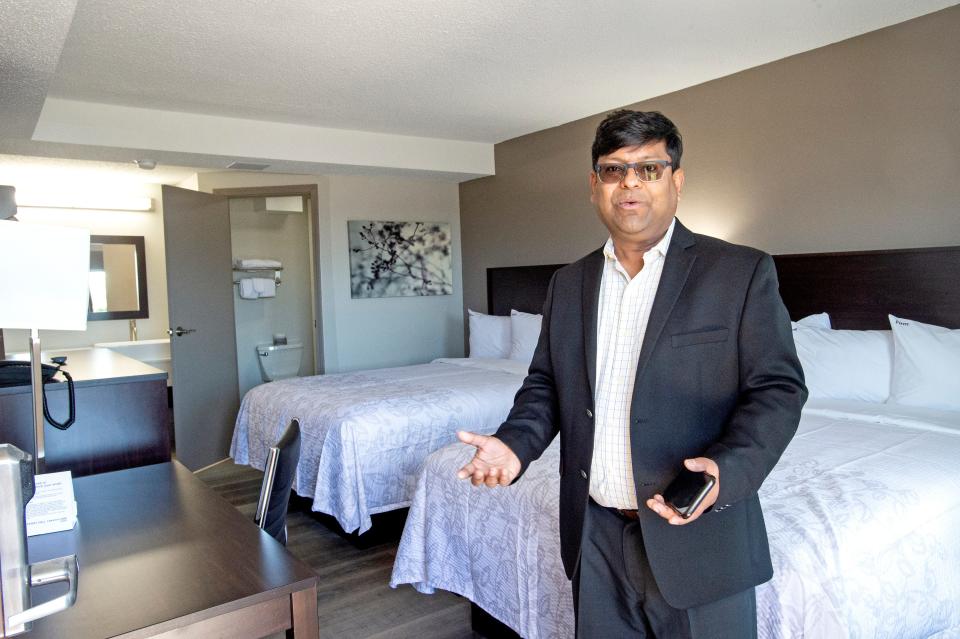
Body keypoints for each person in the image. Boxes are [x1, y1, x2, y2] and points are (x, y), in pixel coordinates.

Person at [456, 110, 807, 638]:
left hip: (699, 538)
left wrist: (726, 470)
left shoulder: (738, 272)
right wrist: (515, 445)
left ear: (677, 181)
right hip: (595, 535)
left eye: (649, 168)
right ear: (595, 186)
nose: (630, 184)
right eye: (615, 170)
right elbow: (548, 384)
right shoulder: (569, 283)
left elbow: (778, 388)